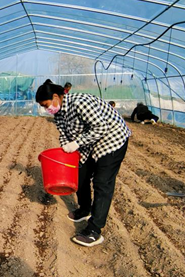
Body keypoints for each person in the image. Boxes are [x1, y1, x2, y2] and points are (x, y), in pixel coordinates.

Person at [36, 79, 131, 247]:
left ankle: (95, 230)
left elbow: (101, 128)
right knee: (80, 173)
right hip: (88, 143)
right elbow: (64, 133)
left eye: (46, 104)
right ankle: (85, 209)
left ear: (56, 96)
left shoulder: (80, 103)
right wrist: (66, 147)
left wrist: (77, 144)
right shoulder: (59, 113)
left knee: (102, 182)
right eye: (44, 106)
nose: (47, 109)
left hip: (111, 140)